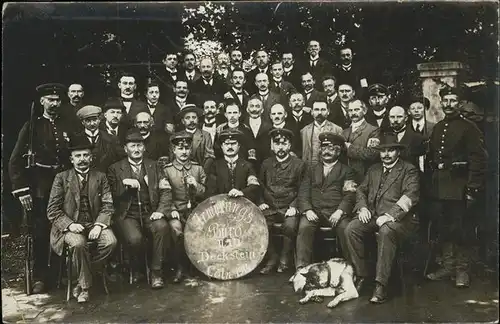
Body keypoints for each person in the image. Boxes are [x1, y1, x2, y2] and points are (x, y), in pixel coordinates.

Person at [9, 83, 73, 294]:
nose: (54, 103)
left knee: (63, 229)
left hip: (64, 186)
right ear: (42, 102)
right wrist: (22, 190)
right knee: (40, 232)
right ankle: (40, 277)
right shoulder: (31, 127)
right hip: (40, 188)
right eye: (50, 99)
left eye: (57, 100)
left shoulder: (68, 125)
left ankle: (60, 274)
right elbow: (15, 161)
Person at [344, 133, 420, 303]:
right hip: (374, 215)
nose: (386, 154)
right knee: (351, 229)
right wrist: (362, 208)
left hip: (401, 220)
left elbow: (411, 196)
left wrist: (390, 215)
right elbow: (361, 190)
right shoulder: (374, 169)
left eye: (390, 150)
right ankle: (362, 275)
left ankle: (381, 285)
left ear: (398, 152)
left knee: (385, 232)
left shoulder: (409, 170)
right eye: (383, 151)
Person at [425, 87, 488, 288]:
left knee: (461, 230)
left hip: (459, 187)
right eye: (446, 100)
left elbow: (478, 160)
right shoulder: (438, 127)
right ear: (441, 103)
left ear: (459, 104)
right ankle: (447, 266)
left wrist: (472, 188)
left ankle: (462, 270)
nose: (449, 104)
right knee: (443, 228)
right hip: (439, 188)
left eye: (453, 100)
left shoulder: (469, 128)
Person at [47, 136, 117, 303]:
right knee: (78, 244)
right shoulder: (61, 178)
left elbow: (108, 205)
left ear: (91, 157)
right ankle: (85, 287)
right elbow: (52, 210)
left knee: (111, 241)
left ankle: (82, 276)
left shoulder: (100, 177)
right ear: (71, 159)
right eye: (78, 156)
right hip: (68, 227)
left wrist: (99, 225)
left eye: (85, 155)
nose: (82, 159)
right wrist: (70, 225)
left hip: (94, 223)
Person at [107, 130, 171, 289]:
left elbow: (166, 190)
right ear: (125, 148)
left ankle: (156, 272)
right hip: (127, 214)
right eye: (132, 146)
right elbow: (111, 195)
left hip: (150, 212)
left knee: (162, 227)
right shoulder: (115, 168)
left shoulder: (154, 166)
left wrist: (160, 210)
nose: (136, 149)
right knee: (135, 239)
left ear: (144, 148)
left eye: (139, 145)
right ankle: (138, 268)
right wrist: (125, 186)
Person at [296, 132, 357, 270]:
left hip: (336, 212)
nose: (326, 152)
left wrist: (340, 212)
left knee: (345, 229)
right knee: (304, 227)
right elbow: (303, 192)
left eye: (331, 148)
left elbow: (349, 196)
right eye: (324, 148)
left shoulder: (347, 171)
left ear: (338, 150)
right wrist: (307, 210)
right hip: (315, 211)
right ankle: (301, 269)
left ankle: (350, 269)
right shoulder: (311, 169)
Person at [258, 128, 307, 274]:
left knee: (290, 227)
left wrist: (294, 206)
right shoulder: (266, 164)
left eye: (284, 143)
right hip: (270, 206)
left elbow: (303, 189)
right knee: (261, 225)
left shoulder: (299, 165)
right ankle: (272, 257)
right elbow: (259, 185)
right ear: (272, 146)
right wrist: (261, 201)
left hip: (289, 206)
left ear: (289, 145)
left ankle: (285, 258)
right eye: (277, 143)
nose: (280, 147)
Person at [161, 132, 206, 283]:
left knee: (202, 229)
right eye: (180, 148)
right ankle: (180, 267)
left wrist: (196, 185)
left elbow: (206, 193)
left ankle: (199, 266)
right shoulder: (167, 170)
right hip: (176, 212)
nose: (184, 152)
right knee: (176, 230)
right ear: (174, 150)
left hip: (196, 211)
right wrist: (172, 208)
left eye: (187, 148)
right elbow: (164, 194)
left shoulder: (198, 169)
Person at [206, 129, 260, 204]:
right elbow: (211, 190)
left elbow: (254, 186)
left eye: (233, 143)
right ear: (221, 146)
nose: (230, 147)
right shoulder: (215, 166)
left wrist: (241, 192)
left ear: (239, 146)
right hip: (221, 206)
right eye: (226, 144)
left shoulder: (247, 166)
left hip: (243, 206)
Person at [342, 99, 380, 182]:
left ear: (364, 111)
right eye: (350, 110)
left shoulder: (373, 130)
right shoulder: (344, 132)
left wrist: (350, 148)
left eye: (356, 109)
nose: (353, 113)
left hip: (364, 177)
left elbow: (371, 154)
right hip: (346, 177)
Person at [75, 105, 121, 172]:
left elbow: (119, 160)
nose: (92, 123)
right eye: (88, 121)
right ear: (82, 122)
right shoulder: (76, 139)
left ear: (99, 120)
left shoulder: (112, 139)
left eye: (95, 119)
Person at [301, 100, 343, 165]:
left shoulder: (337, 129)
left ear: (328, 111)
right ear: (312, 112)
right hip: (310, 168)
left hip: (329, 167)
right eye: (316, 110)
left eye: (323, 109)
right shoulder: (304, 131)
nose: (319, 112)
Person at [175, 104, 215, 173]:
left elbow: (209, 157)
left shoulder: (205, 135)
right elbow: (173, 158)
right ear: (182, 121)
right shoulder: (176, 137)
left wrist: (202, 173)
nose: (191, 120)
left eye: (194, 117)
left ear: (198, 119)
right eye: (187, 118)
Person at [243, 97, 273, 168]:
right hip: (245, 165)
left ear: (262, 110)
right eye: (252, 106)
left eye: (257, 106)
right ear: (247, 109)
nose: (254, 109)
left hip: (264, 165)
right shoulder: (242, 126)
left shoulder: (269, 127)